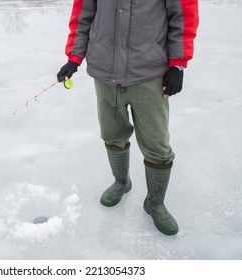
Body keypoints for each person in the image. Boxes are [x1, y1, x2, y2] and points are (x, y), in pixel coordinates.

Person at [57, 0, 199, 235]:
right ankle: (122, 183)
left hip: (150, 73)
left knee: (157, 145)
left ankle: (155, 203)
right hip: (105, 72)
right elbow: (82, 15)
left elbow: (183, 15)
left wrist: (178, 63)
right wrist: (74, 57)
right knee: (112, 134)